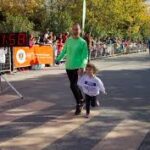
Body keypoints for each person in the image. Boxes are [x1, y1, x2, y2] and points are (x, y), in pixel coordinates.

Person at [56, 23, 88, 115]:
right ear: (72, 30)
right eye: (74, 29)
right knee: (74, 85)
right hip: (68, 66)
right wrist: (58, 58)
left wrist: (82, 66)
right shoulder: (69, 40)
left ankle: (79, 103)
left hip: (77, 67)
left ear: (80, 30)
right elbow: (64, 51)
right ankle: (81, 99)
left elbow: (85, 56)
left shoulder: (82, 42)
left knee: (72, 85)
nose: (75, 31)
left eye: (77, 29)